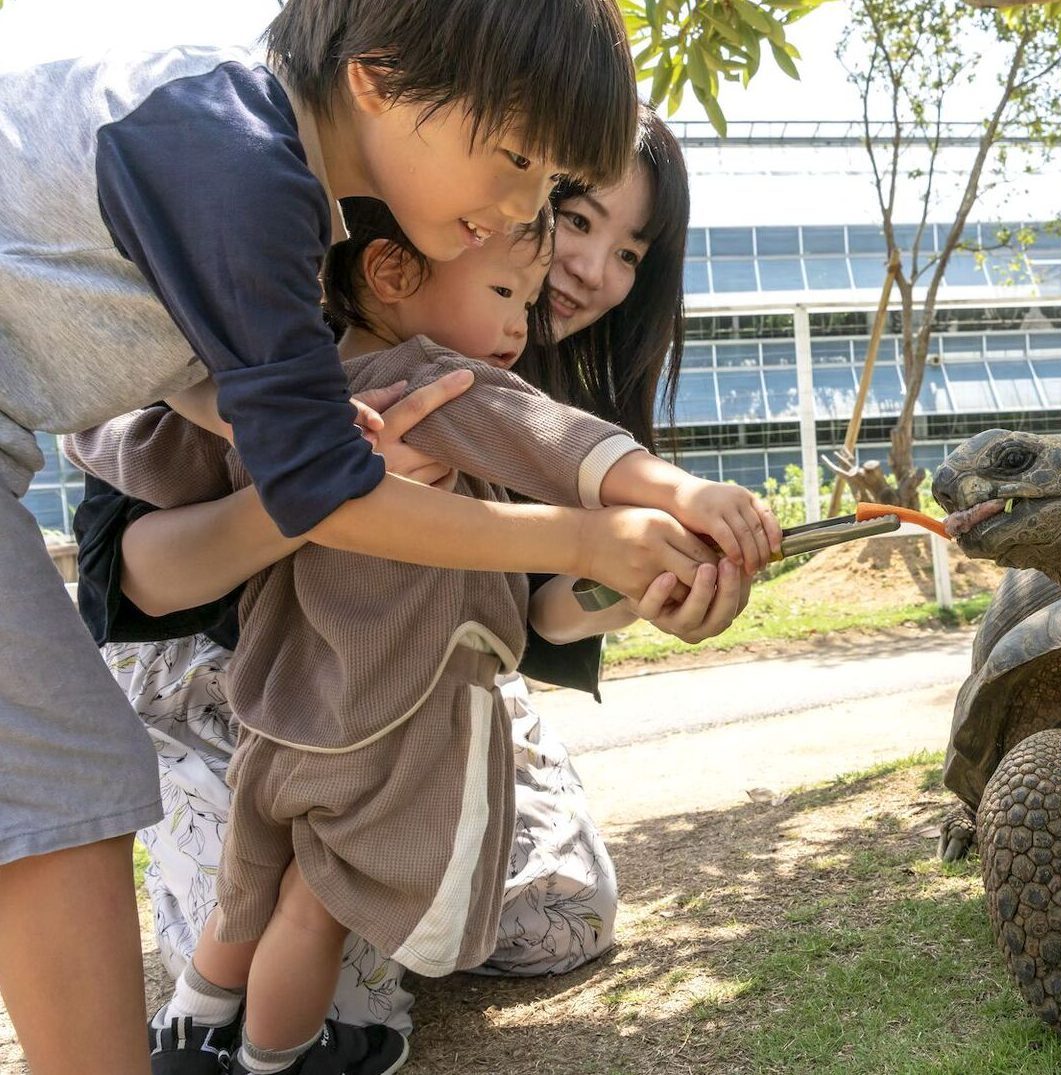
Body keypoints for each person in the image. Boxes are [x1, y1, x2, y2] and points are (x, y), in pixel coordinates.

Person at [0, 1, 749, 1070]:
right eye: (521, 165)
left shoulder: (275, 192)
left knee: (69, 786)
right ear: (378, 79)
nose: (519, 218)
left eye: (554, 198)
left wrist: (631, 568)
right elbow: (314, 495)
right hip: (235, 684)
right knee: (72, 783)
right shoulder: (243, 164)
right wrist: (588, 538)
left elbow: (216, 383)